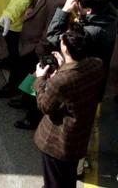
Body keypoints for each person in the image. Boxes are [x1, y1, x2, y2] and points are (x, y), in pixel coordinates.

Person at [2, 0, 72, 129]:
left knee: (37, 84)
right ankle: (24, 100)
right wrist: (31, 8)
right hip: (30, 41)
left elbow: (51, 31)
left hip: (38, 48)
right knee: (27, 77)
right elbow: (36, 0)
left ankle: (31, 118)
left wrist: (38, 52)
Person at [33, 26, 105, 188]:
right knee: (67, 179)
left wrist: (40, 79)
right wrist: (63, 67)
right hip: (78, 138)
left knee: (54, 182)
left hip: (57, 142)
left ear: (65, 48)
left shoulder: (60, 81)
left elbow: (45, 106)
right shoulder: (97, 65)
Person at [46, 0, 117, 101]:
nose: (76, 10)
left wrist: (64, 11)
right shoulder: (110, 17)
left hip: (80, 81)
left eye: (78, 8)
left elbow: (53, 35)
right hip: (96, 79)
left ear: (89, 10)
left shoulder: (88, 33)